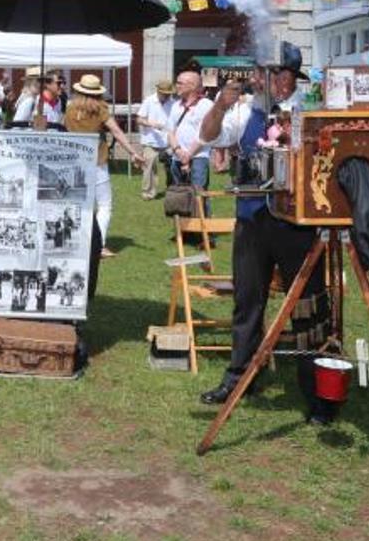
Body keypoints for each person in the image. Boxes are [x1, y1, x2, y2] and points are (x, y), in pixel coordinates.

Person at [197, 43, 335, 424]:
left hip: (298, 227)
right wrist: (220, 105)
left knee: (307, 307)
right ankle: (240, 377)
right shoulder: (245, 111)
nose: (256, 80)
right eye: (259, 73)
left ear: (286, 78)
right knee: (247, 302)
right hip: (253, 222)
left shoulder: (310, 112)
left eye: (265, 73)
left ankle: (317, 393)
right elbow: (209, 136)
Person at [64, 74, 150, 258]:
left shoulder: (69, 109)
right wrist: (133, 152)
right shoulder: (100, 109)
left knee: (77, 204)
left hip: (73, 161)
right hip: (96, 161)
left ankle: (74, 242)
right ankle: (99, 245)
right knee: (104, 205)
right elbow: (116, 131)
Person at [166, 69, 215, 210]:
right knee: (179, 196)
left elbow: (205, 134)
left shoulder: (205, 105)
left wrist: (188, 155)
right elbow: (170, 131)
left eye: (180, 83)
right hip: (177, 158)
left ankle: (203, 229)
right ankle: (183, 229)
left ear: (192, 86)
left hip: (198, 157)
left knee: (199, 195)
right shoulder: (176, 105)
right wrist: (178, 150)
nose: (177, 86)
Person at [135, 78, 175, 200]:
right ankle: (148, 193)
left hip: (168, 140)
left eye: (169, 94)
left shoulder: (173, 103)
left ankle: (172, 189)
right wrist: (150, 123)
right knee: (149, 168)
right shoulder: (149, 101)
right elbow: (139, 119)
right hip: (150, 140)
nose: (167, 96)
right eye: (165, 94)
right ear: (158, 92)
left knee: (171, 167)